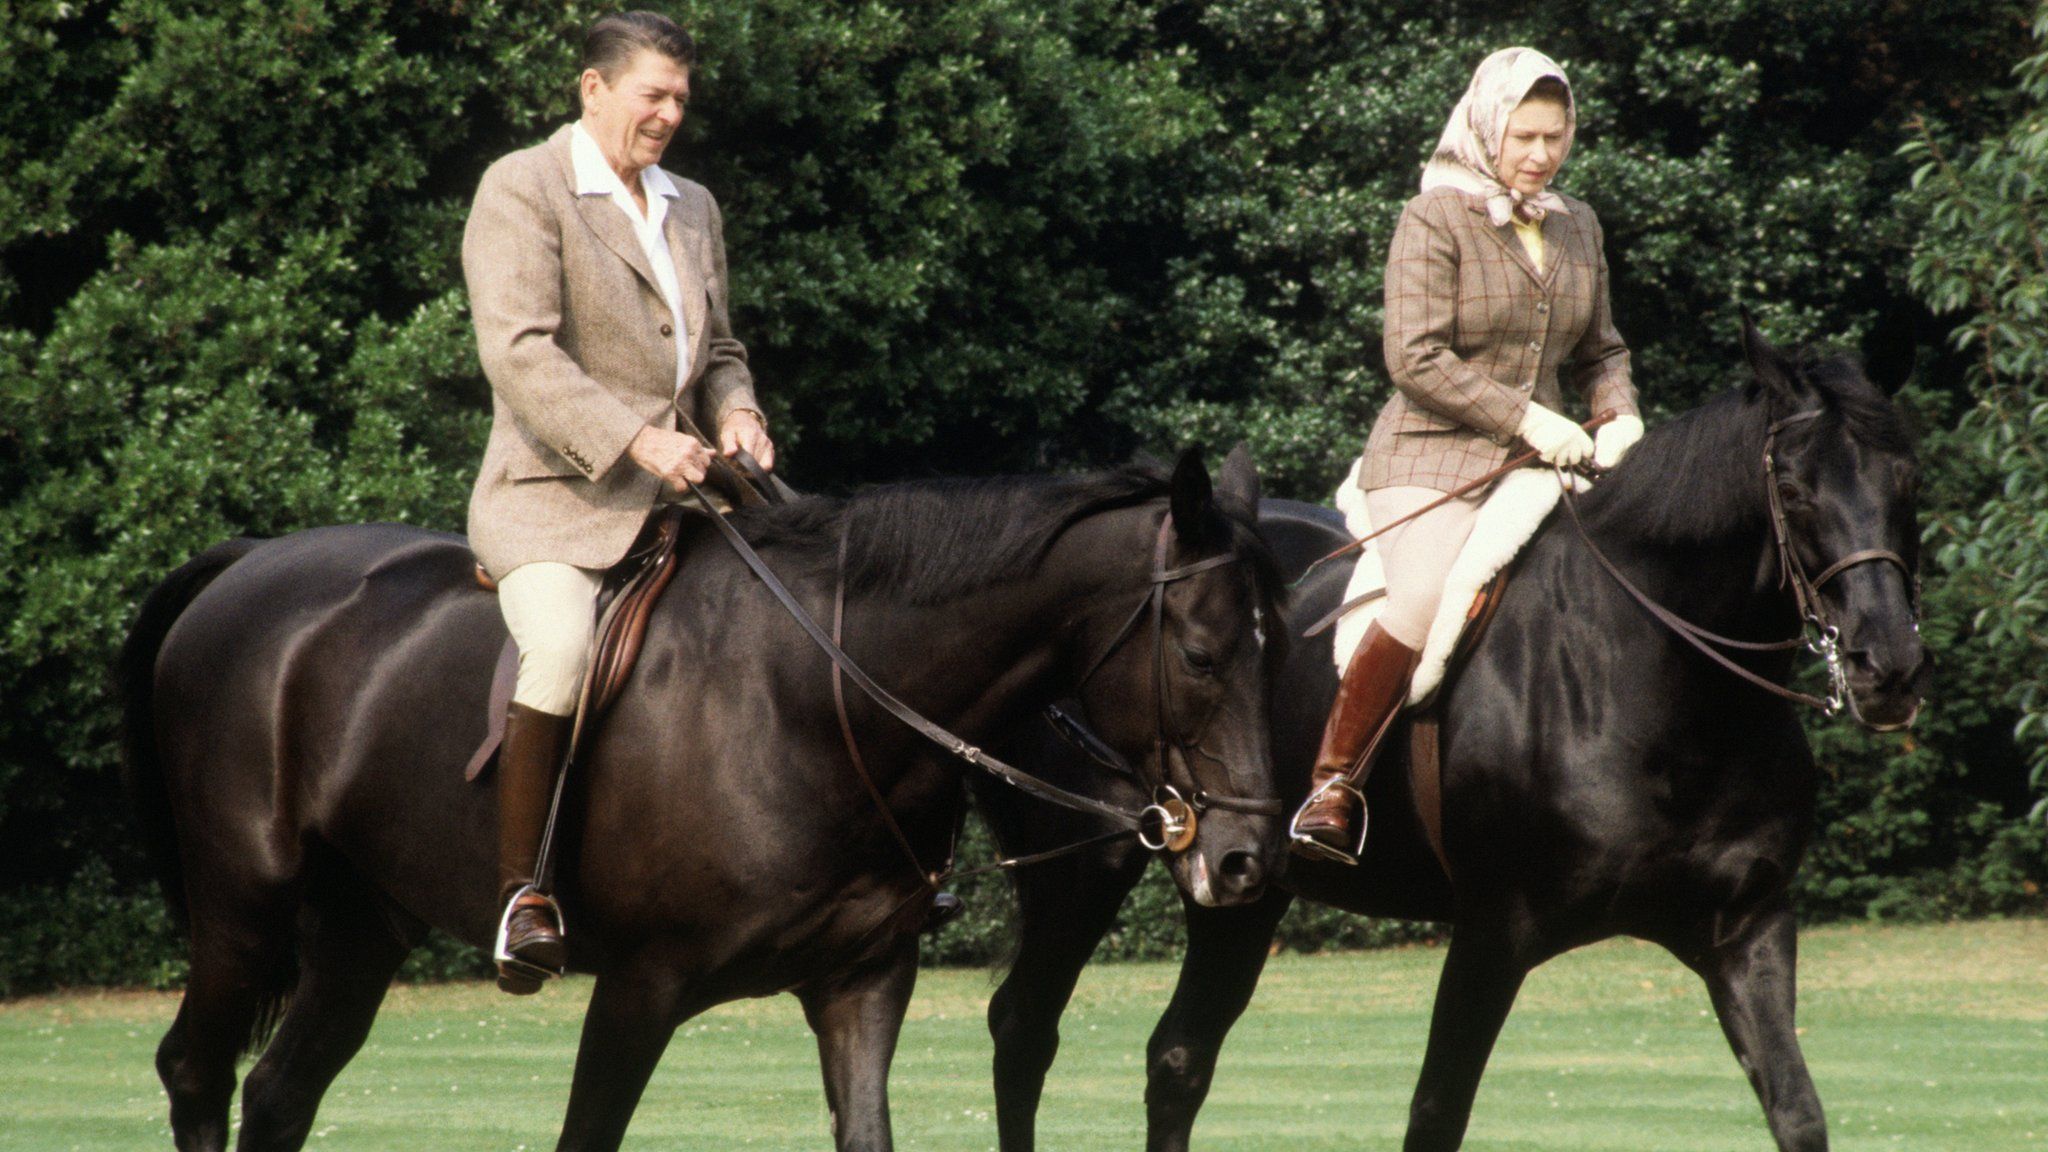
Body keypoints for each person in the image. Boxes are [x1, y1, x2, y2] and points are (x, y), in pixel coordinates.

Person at [462, 11, 773, 991]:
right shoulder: (524, 187)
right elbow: (519, 351)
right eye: (653, 94)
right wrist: (634, 439)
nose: (670, 113)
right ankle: (523, 895)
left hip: (691, 493)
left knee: (823, 603)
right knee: (558, 645)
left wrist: (740, 416)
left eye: (680, 97)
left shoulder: (692, 207)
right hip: (557, 495)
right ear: (591, 89)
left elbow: (717, 351)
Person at [1291, 47, 1643, 863]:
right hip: (1432, 454)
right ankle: (1332, 786)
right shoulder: (1434, 217)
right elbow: (1415, 358)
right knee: (1418, 597)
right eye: (1524, 136)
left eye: (1554, 137)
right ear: (1488, 128)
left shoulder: (1577, 222)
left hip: (1542, 460)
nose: (1540, 155)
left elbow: (1602, 349)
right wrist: (1529, 418)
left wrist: (1616, 411)